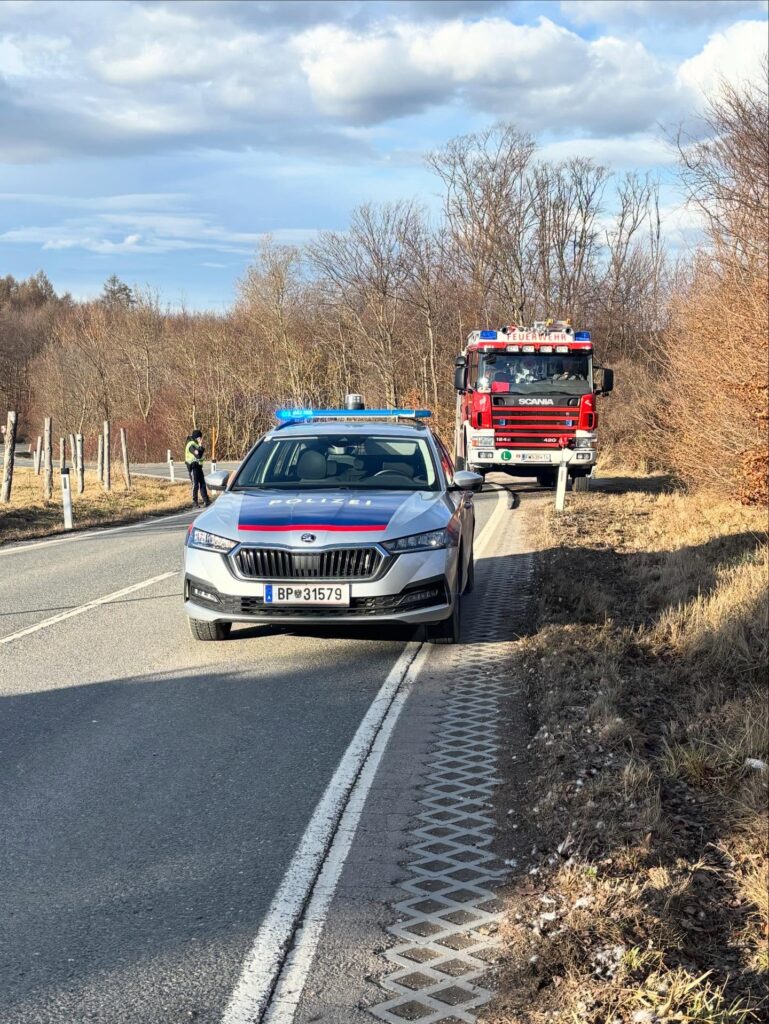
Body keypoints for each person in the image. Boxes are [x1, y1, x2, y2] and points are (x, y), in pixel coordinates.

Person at [184, 429, 210, 507]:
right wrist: (201, 446)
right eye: (200, 438)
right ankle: (194, 502)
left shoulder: (196, 444)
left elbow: (200, 454)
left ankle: (206, 500)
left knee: (202, 484)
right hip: (192, 467)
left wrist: (200, 446)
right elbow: (198, 455)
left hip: (198, 466)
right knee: (195, 485)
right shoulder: (191, 444)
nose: (201, 439)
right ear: (197, 437)